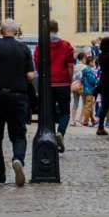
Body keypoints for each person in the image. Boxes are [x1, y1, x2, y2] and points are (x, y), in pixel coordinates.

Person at [0, 18, 36, 186]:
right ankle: (18, 160)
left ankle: (0, 175)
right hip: (17, 96)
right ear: (16, 32)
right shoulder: (23, 49)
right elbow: (31, 76)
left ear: (1, 31)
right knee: (18, 135)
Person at [42, 19, 76, 150]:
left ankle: (50, 137)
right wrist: (70, 80)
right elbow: (70, 67)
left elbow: (39, 65)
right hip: (62, 83)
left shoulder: (42, 45)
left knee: (49, 112)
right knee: (65, 112)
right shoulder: (66, 45)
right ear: (57, 29)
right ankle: (60, 132)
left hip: (48, 84)